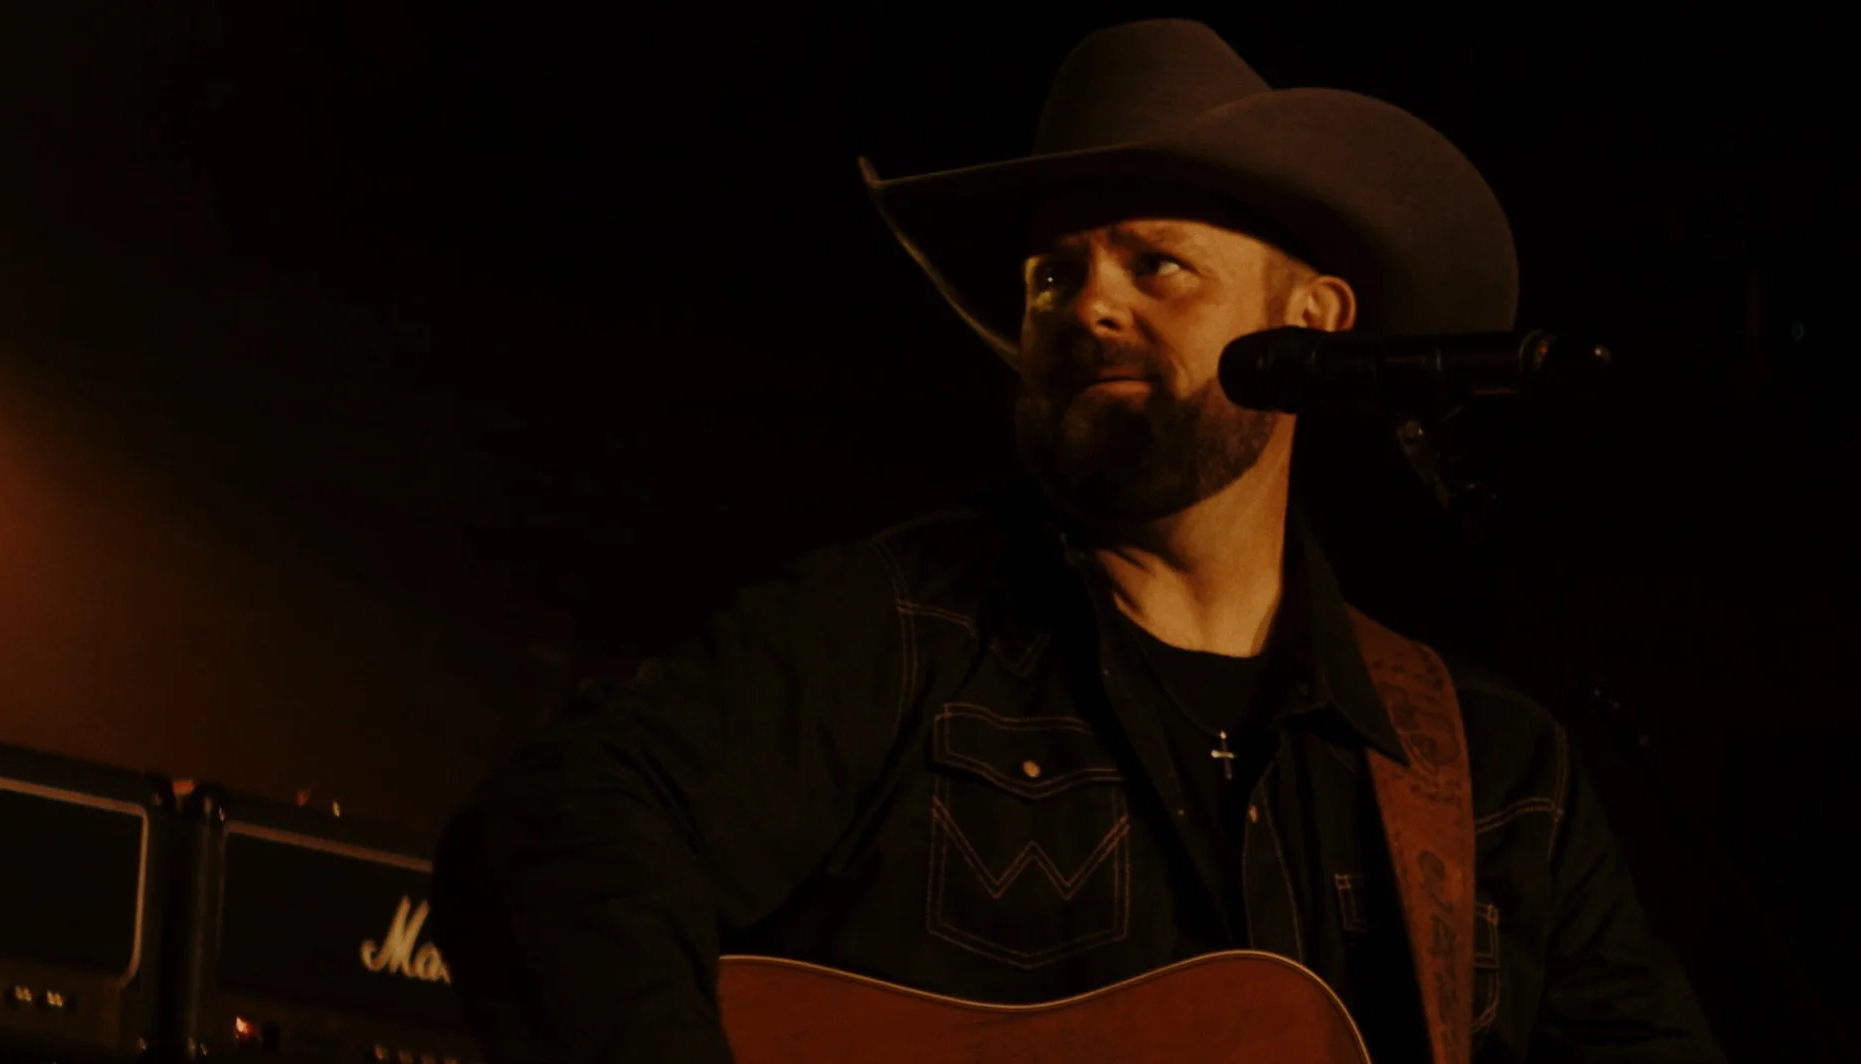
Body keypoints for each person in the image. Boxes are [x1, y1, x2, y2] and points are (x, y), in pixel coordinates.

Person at [430, 19, 1727, 1064]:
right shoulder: (905, 631)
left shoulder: (1497, 779)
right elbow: (550, 834)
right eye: (1055, 276)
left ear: (1318, 329)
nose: (1088, 302)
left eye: (1156, 266)